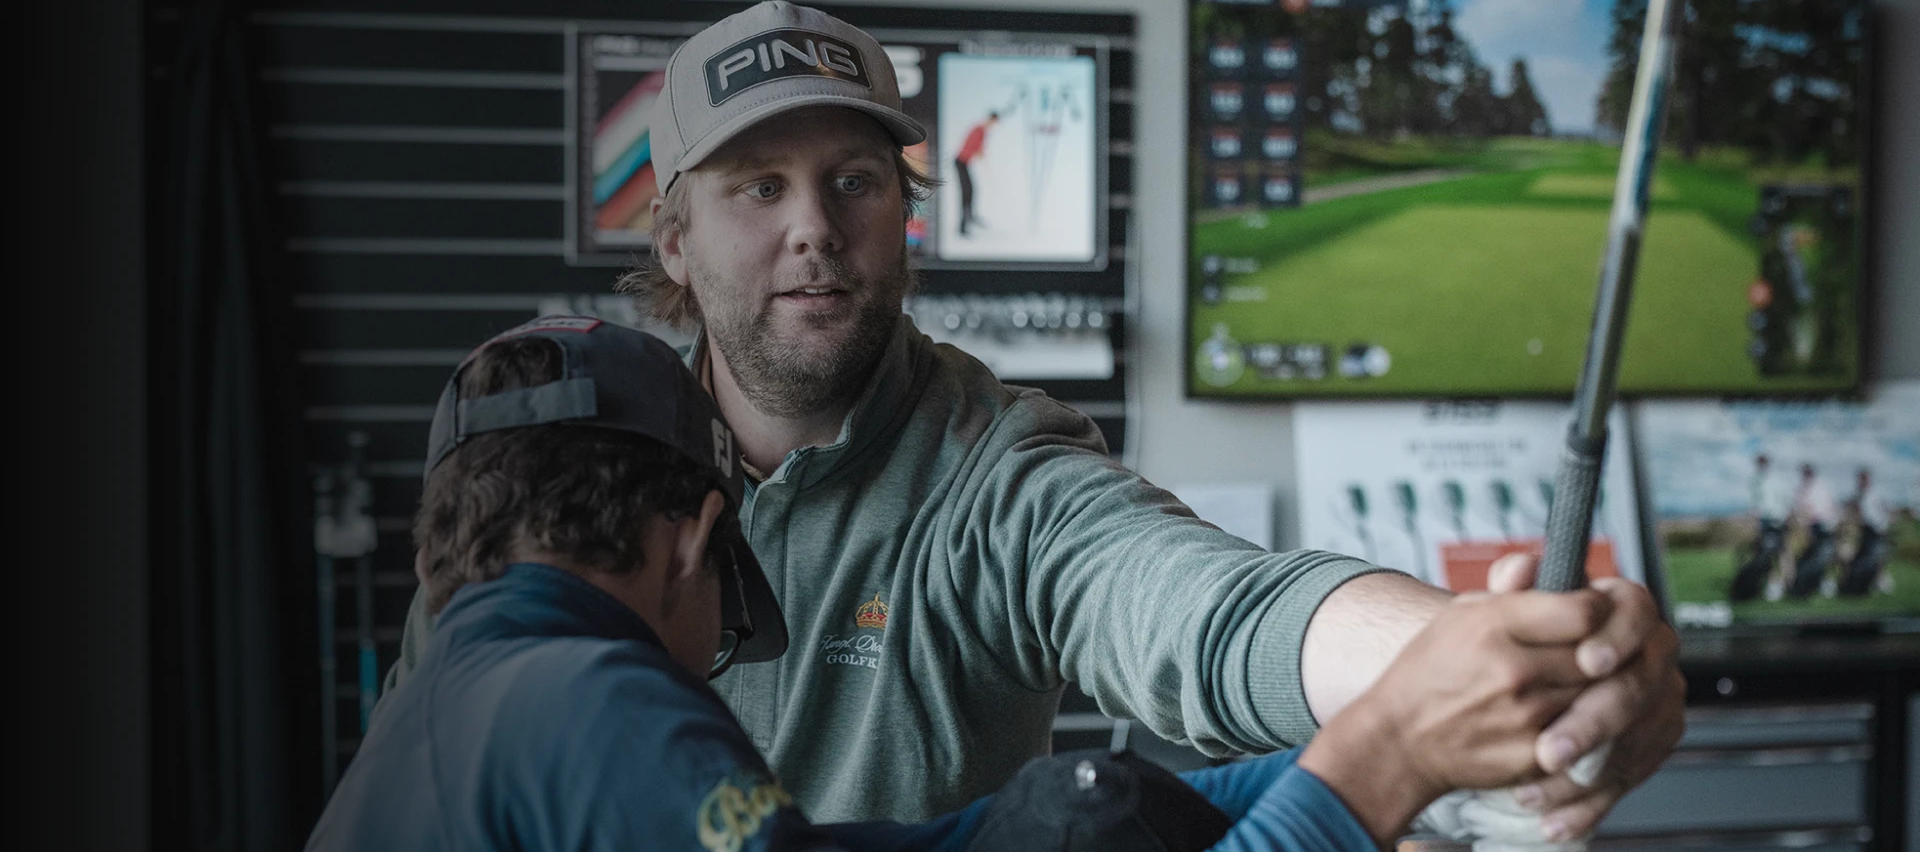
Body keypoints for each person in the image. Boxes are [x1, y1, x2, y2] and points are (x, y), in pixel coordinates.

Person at [385, 0, 1684, 842]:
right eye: (756, 186)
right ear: (671, 233)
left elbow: (1205, 611)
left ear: (909, 213)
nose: (812, 229)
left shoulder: (998, 466)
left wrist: (1475, 662)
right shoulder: (573, 491)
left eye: (852, 180)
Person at [310, 315, 1639, 851]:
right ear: (691, 536)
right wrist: (1391, 762)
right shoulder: (592, 700)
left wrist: (1348, 736)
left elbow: (1181, 599)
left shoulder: (422, 733)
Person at [1731, 453, 1792, 602]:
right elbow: (1755, 503)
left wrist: (1785, 516)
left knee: (1782, 553)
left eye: (1764, 462)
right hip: (1765, 523)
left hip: (1780, 521)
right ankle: (1772, 584)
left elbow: (1786, 499)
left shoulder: (1778, 480)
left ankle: (1788, 583)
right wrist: (1754, 519)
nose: (1762, 465)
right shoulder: (1755, 480)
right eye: (1760, 462)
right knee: (1765, 554)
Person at [1786, 462, 1841, 598]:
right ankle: (1809, 584)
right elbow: (1801, 510)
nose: (1806, 475)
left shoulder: (1822, 487)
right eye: (1804, 472)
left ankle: (1825, 582)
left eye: (1808, 472)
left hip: (1825, 527)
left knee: (1824, 557)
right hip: (1811, 529)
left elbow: (1830, 506)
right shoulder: (1800, 490)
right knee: (1812, 558)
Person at [1838, 468, 1892, 597]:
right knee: (1866, 559)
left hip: (1877, 530)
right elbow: (1853, 506)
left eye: (1864, 478)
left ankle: (1876, 583)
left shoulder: (1875, 493)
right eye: (1861, 478)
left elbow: (1884, 510)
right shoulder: (1859, 494)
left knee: (1874, 559)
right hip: (1866, 531)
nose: (1862, 481)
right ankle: (1861, 585)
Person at [953, 110, 998, 237]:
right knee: (966, 193)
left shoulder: (982, 130)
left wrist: (980, 152)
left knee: (971, 191)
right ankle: (963, 226)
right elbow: (970, 147)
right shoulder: (980, 130)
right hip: (960, 163)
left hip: (965, 163)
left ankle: (970, 217)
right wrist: (979, 153)